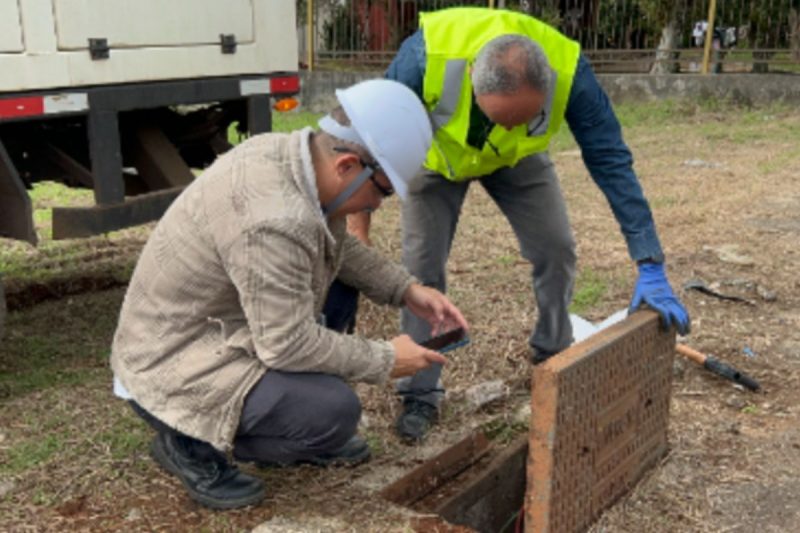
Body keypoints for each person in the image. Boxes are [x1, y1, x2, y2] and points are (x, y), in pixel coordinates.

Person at [110, 79, 469, 510]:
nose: (377, 206)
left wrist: (406, 289)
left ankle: (260, 419)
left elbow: (337, 244)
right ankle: (187, 442)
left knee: (332, 330)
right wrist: (388, 360)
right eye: (384, 190)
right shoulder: (275, 219)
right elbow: (287, 343)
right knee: (331, 413)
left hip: (203, 330)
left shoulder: (288, 158)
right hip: (169, 364)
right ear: (348, 166)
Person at [374, 7, 691, 442]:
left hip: (517, 160)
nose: (509, 126)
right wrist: (356, 233)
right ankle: (420, 393)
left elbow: (610, 159)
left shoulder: (569, 70)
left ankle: (552, 357)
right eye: (500, 117)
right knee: (421, 270)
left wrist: (649, 260)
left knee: (555, 248)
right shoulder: (425, 56)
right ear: (471, 76)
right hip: (440, 159)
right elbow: (368, 137)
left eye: (521, 118)